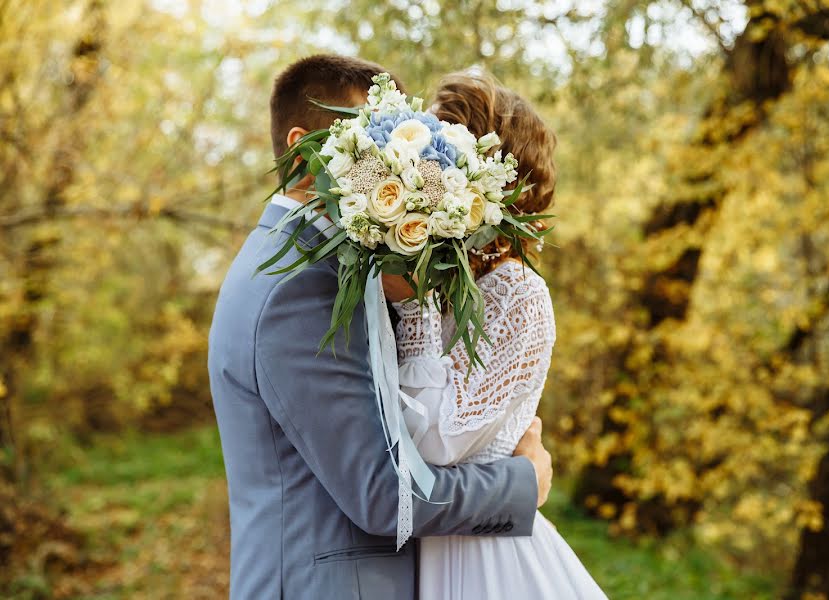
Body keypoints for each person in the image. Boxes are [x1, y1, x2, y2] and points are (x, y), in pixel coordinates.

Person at [207, 54, 553, 600]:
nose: (382, 162)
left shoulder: (319, 262)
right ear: (302, 153)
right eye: (362, 144)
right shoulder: (298, 286)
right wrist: (522, 484)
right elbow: (379, 494)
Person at [384, 71, 608, 599]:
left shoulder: (517, 292)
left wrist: (413, 303)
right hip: (425, 546)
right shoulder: (438, 278)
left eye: (443, 159)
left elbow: (437, 444)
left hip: (484, 558)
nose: (425, 176)